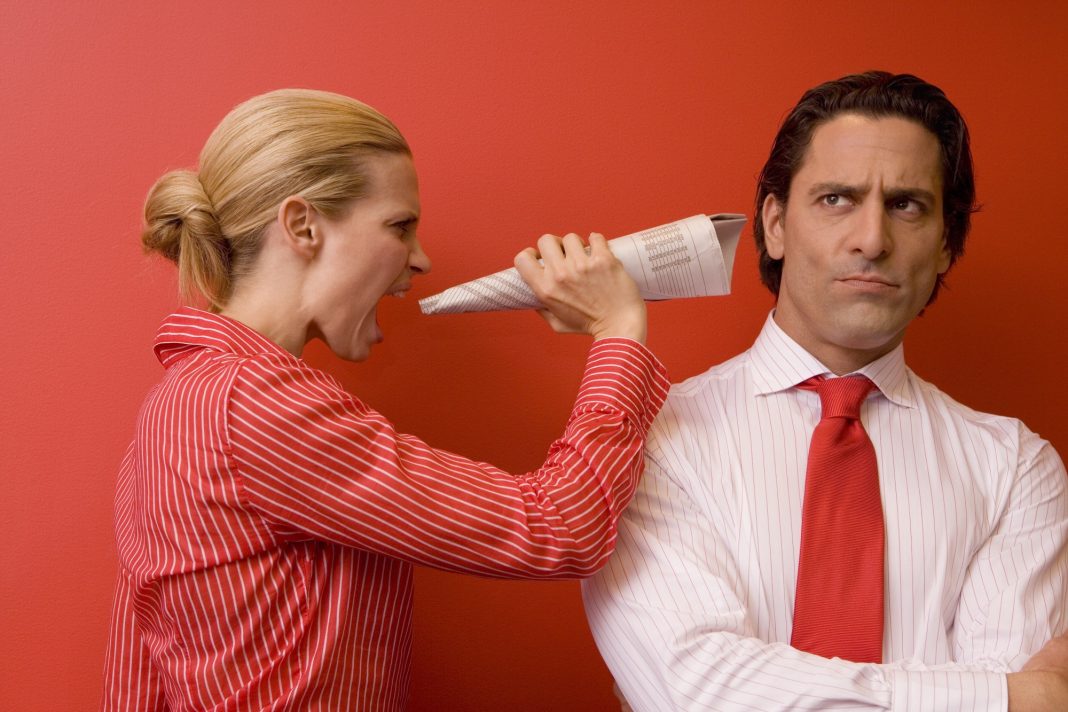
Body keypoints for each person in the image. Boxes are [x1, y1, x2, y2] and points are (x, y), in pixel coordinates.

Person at [101, 88, 670, 711]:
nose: (420, 260)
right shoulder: (260, 407)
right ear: (302, 225)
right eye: (400, 226)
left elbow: (135, 680)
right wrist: (618, 330)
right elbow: (561, 526)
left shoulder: (172, 409)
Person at [582, 71, 1068, 711]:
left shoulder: (1015, 469)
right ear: (775, 225)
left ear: (946, 245)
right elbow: (698, 691)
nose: (872, 239)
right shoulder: (645, 440)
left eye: (907, 205)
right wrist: (997, 697)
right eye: (837, 199)